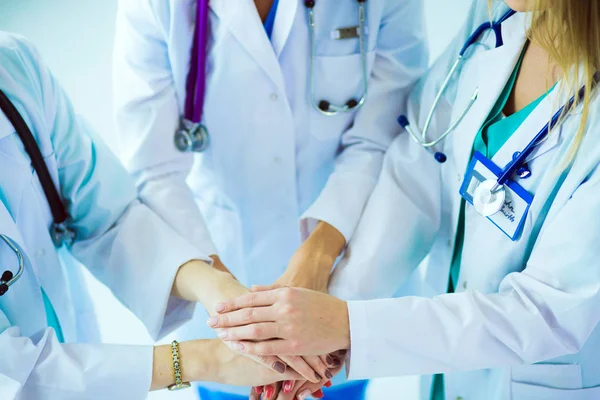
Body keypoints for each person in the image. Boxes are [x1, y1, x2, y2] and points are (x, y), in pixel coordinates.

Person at [208, 0, 600, 399]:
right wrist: (332, 314)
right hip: (446, 377)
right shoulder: (498, 17)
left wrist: (348, 326)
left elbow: (547, 314)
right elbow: (420, 161)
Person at [112, 0, 428, 398]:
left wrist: (316, 257)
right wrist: (232, 307)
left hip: (349, 262)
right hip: (222, 257)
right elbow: (154, 168)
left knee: (335, 381)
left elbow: (381, 136)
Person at [0, 32, 325, 399]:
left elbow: (109, 218)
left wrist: (223, 294)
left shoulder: (13, 68)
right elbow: (15, 377)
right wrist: (209, 359)